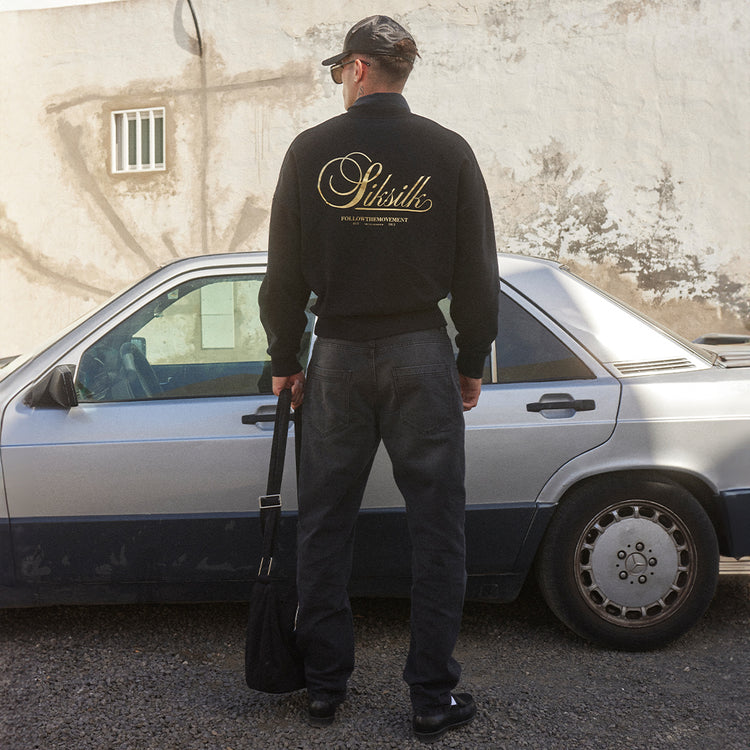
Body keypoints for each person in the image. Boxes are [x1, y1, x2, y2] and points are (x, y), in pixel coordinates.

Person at [258, 15, 499, 743]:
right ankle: (431, 697)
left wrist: (284, 358)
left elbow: (282, 274)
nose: (339, 82)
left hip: (334, 353)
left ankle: (325, 687)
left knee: (326, 525)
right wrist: (469, 358)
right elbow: (477, 273)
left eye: (340, 71)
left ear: (359, 68)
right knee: (438, 530)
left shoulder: (311, 151)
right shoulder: (448, 151)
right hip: (421, 350)